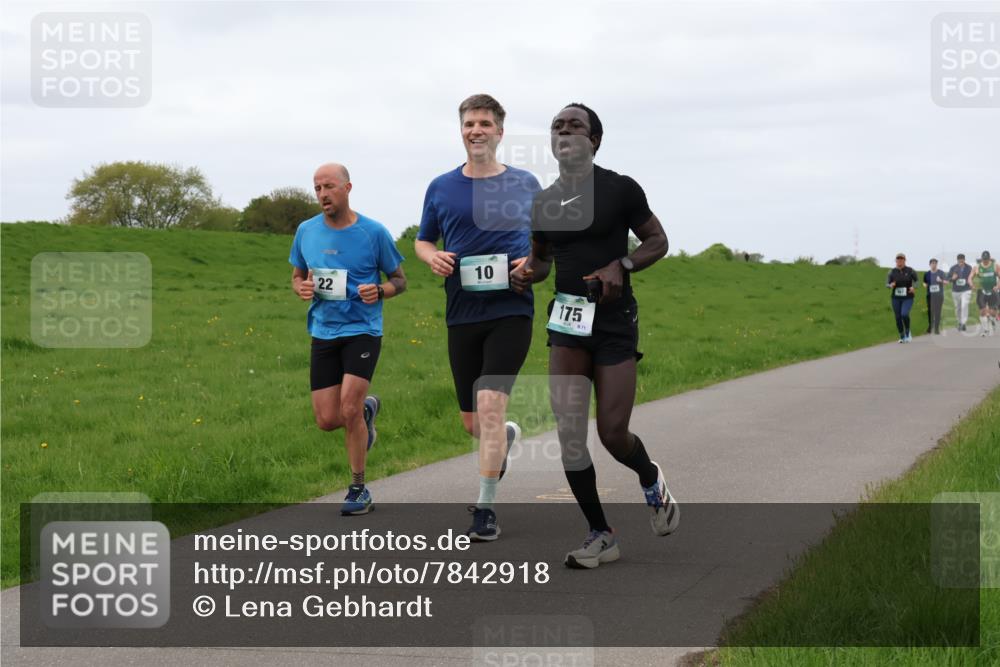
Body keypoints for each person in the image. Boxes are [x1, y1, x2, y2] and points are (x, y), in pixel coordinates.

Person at [511, 103, 677, 569]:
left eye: (575, 125)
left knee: (612, 432)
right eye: (557, 127)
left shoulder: (620, 189)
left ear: (594, 140)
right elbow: (542, 260)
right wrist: (526, 273)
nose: (564, 131)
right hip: (566, 321)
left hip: (613, 322)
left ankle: (649, 478)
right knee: (569, 433)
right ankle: (600, 533)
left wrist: (620, 265)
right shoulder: (544, 201)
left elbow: (658, 241)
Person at [415, 94, 540, 541]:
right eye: (469, 123)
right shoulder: (441, 187)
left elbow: (547, 247)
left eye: (485, 123)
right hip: (462, 313)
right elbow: (423, 240)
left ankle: (485, 509)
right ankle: (502, 435)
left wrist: (528, 267)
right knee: (474, 422)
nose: (476, 130)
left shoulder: (526, 184)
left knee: (489, 404)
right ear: (461, 130)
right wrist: (433, 258)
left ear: (500, 132)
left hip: (510, 310)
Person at [289, 163, 406, 516]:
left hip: (363, 330)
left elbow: (400, 279)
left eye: (329, 187)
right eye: (317, 188)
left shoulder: (374, 232)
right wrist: (302, 287)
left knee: (348, 408)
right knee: (327, 419)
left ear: (347, 187)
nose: (322, 194)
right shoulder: (306, 231)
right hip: (323, 331)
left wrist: (381, 290)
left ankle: (358, 488)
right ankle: (368, 412)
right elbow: (296, 276)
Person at [887, 253, 918, 343]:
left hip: (908, 297)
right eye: (898, 259)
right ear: (895, 260)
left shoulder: (910, 270)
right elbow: (887, 284)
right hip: (896, 298)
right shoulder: (891, 272)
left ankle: (908, 332)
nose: (900, 260)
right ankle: (902, 336)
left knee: (904, 314)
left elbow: (917, 281)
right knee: (897, 317)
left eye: (902, 259)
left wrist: (914, 287)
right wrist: (890, 285)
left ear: (905, 260)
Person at [970, 250, 998, 337]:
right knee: (982, 311)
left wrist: (998, 286)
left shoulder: (995, 266)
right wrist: (971, 284)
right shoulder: (977, 267)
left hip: (993, 290)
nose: (985, 261)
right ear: (981, 259)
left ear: (989, 259)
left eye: (986, 259)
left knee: (992, 312)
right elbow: (970, 277)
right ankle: (985, 330)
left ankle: (993, 320)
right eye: (984, 259)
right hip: (981, 290)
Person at [948, 253, 973, 332]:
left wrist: (971, 282)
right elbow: (948, 279)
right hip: (956, 290)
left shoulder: (969, 268)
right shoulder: (953, 268)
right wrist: (953, 278)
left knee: (964, 305)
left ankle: (963, 323)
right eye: (959, 260)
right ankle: (959, 322)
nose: (961, 261)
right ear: (957, 260)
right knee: (958, 308)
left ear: (964, 260)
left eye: (962, 260)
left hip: (966, 290)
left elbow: (971, 276)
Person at [923, 258, 946, 335]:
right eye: (932, 263)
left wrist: (941, 281)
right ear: (930, 265)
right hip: (930, 295)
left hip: (939, 295)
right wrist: (925, 285)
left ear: (937, 264)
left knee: (937, 311)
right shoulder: (927, 274)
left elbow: (946, 282)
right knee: (930, 311)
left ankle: (936, 328)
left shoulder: (941, 273)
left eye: (935, 263)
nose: (934, 264)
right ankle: (930, 326)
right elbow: (924, 282)